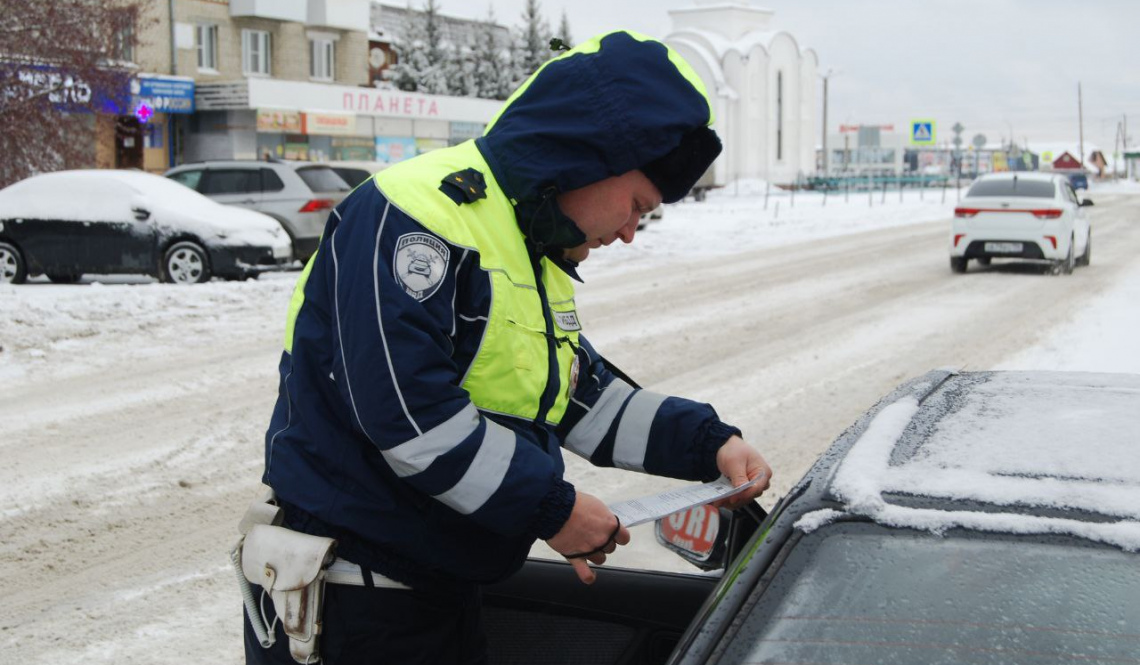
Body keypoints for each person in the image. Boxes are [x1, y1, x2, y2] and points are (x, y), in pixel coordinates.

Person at [244, 30, 772, 665]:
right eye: (637, 205)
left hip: (437, 593)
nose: (631, 231)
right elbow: (407, 415)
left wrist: (709, 443)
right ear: (591, 157)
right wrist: (552, 509)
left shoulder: (523, 246)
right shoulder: (416, 215)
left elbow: (582, 400)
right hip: (354, 602)